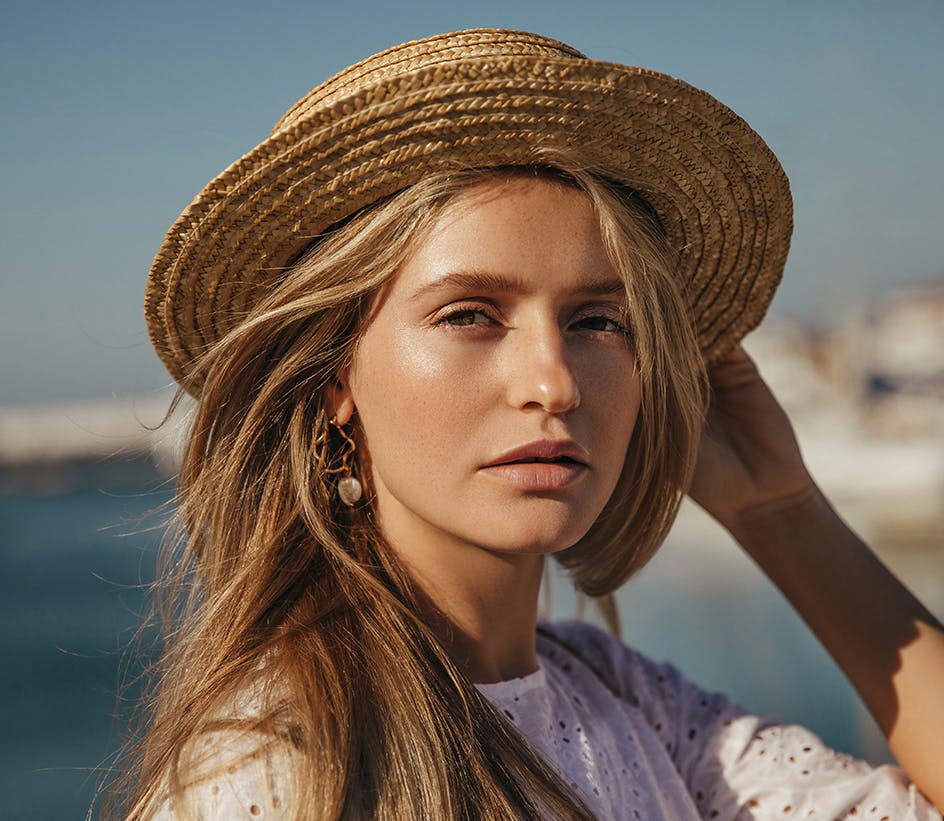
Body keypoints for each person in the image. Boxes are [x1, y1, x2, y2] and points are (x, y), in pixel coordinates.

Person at [114, 29, 943, 820]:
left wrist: (782, 511)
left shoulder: (628, 699)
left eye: (598, 322)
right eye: (471, 315)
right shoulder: (276, 766)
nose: (554, 382)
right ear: (335, 375)